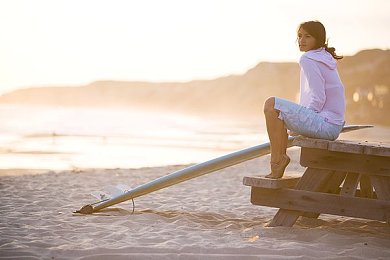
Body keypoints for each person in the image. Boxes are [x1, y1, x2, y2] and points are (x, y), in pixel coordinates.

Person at [263, 20, 345, 179]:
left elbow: (319, 97)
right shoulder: (324, 57)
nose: (301, 40)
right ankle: (280, 160)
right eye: (299, 36)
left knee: (271, 105)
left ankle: (277, 161)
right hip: (334, 126)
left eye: (307, 36)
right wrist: (301, 121)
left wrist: (304, 119)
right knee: (280, 114)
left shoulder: (308, 59)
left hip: (325, 124)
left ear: (318, 38)